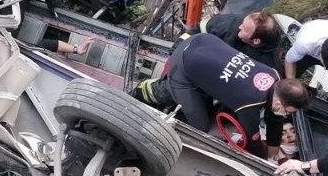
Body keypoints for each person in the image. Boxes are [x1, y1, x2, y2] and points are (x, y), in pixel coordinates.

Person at [133, 33, 310, 157]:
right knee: (201, 127)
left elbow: (274, 119)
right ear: (280, 103)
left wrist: (273, 150)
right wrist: (267, 159)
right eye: (288, 111)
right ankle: (144, 89)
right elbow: (252, 140)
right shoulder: (250, 101)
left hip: (202, 42)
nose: (285, 115)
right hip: (184, 64)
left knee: (208, 102)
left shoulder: (274, 75)